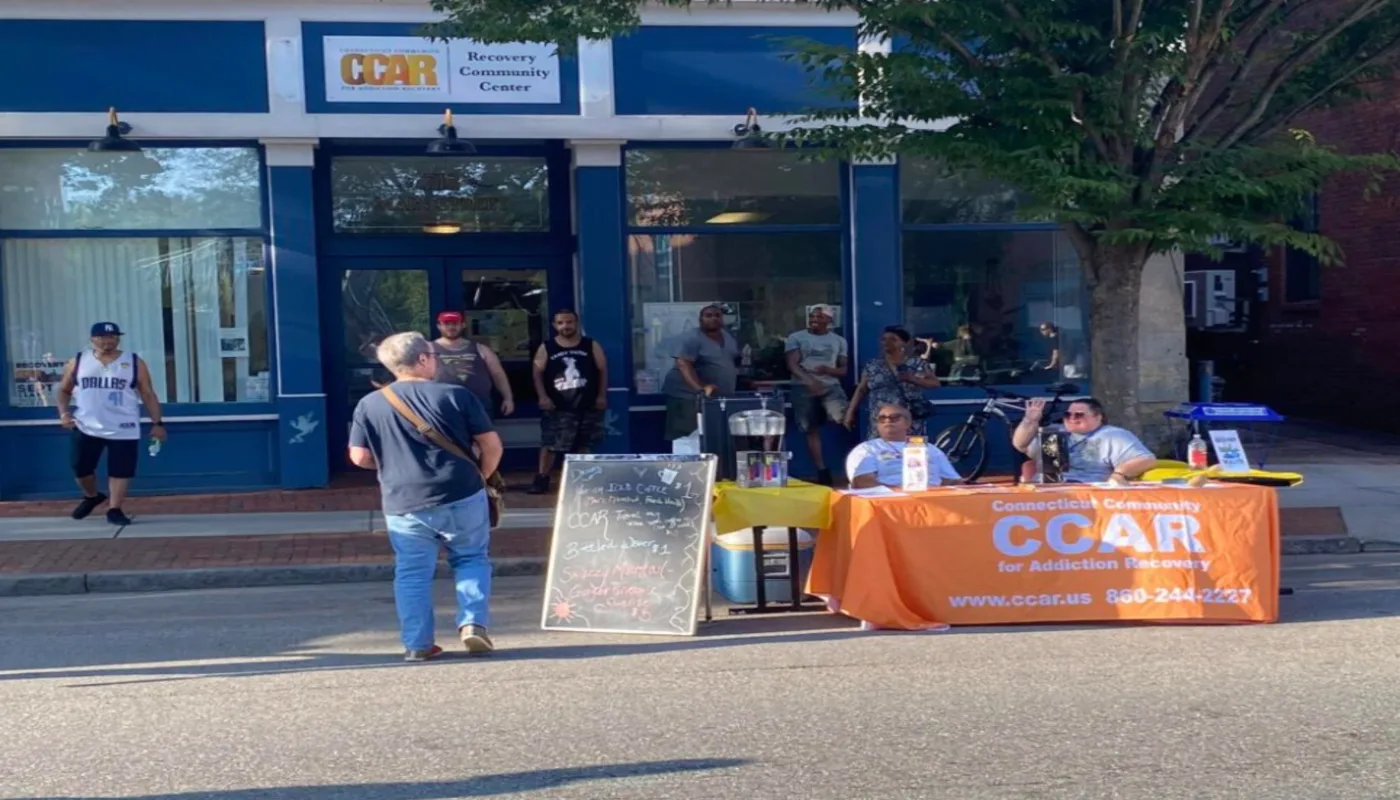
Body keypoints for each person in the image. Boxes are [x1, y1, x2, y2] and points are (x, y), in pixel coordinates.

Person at [348, 331, 505, 663]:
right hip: (461, 492)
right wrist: (482, 476)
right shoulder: (455, 395)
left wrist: (391, 465)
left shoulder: (370, 404)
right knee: (471, 558)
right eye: (434, 356)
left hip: (403, 500)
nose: (436, 361)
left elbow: (359, 457)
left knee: (412, 573)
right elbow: (491, 445)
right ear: (421, 359)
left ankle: (418, 643)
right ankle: (473, 623)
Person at [56, 322, 166, 526]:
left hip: (123, 426)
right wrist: (63, 414)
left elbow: (147, 393)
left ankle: (115, 508)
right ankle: (92, 496)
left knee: (120, 470)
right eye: (103, 337)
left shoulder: (133, 362)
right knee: (80, 467)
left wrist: (157, 423)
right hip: (86, 425)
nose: (109, 341)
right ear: (92, 339)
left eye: (113, 337)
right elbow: (64, 390)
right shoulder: (78, 361)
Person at [528, 309, 608, 494]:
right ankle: (542, 479)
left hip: (587, 404)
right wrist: (542, 396)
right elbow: (537, 373)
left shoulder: (590, 345)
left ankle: (585, 480)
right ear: (555, 325)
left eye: (569, 322)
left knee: (584, 443)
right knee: (550, 444)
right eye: (561, 323)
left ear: (576, 323)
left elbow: (603, 370)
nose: (566, 326)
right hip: (557, 406)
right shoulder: (547, 347)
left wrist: (601, 396)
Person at [1011, 397, 1156, 484]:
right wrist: (1029, 421)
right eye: (1068, 414)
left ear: (1098, 417)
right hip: (1047, 489)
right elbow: (1020, 445)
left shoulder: (1114, 435)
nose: (1072, 418)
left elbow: (1147, 459)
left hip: (1087, 490)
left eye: (1079, 415)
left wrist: (1119, 474)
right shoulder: (1054, 432)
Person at [785, 305, 848, 486]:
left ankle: (854, 464)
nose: (814, 320)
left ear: (829, 320)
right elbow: (792, 364)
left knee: (845, 419)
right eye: (812, 316)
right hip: (803, 387)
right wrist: (810, 381)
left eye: (820, 317)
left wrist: (828, 370)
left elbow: (843, 369)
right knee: (810, 428)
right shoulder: (796, 338)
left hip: (831, 386)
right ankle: (822, 471)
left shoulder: (839, 341)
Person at [661, 304, 740, 442]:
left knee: (713, 438)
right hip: (688, 397)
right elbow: (683, 364)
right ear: (700, 319)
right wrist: (700, 388)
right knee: (687, 438)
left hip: (716, 399)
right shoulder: (692, 337)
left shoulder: (727, 337)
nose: (713, 319)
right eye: (708, 316)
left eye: (717, 315)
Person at [845, 326, 941, 439]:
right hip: (881, 420)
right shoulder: (872, 366)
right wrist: (850, 412)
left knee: (913, 449)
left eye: (893, 339)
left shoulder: (916, 363)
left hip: (910, 421)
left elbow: (935, 383)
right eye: (884, 339)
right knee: (879, 448)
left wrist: (914, 379)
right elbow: (861, 389)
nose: (887, 342)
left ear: (903, 343)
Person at [845, 404, 962, 489]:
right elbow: (862, 482)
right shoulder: (867, 448)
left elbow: (953, 481)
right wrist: (900, 493)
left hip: (932, 499)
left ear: (908, 423)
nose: (888, 421)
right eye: (882, 418)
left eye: (895, 417)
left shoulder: (929, 448)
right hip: (889, 501)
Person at [433, 311, 514, 418]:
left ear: (463, 325)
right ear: (439, 326)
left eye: (455, 323)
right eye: (447, 324)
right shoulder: (429, 349)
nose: (451, 327)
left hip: (479, 405)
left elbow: (498, 374)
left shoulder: (481, 349)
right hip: (443, 406)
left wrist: (508, 399)